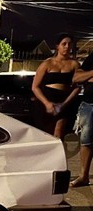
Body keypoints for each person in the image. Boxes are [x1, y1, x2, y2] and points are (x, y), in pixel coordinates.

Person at [32, 33, 81, 140]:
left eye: (69, 44)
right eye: (64, 44)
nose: (67, 47)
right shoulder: (47, 63)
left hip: (64, 102)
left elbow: (77, 86)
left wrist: (64, 104)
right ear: (57, 46)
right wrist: (47, 103)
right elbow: (35, 86)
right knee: (45, 135)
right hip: (46, 101)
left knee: (58, 134)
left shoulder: (74, 64)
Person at [69, 51, 93, 188]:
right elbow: (77, 77)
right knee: (86, 141)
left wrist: (88, 77)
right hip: (89, 104)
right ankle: (83, 177)